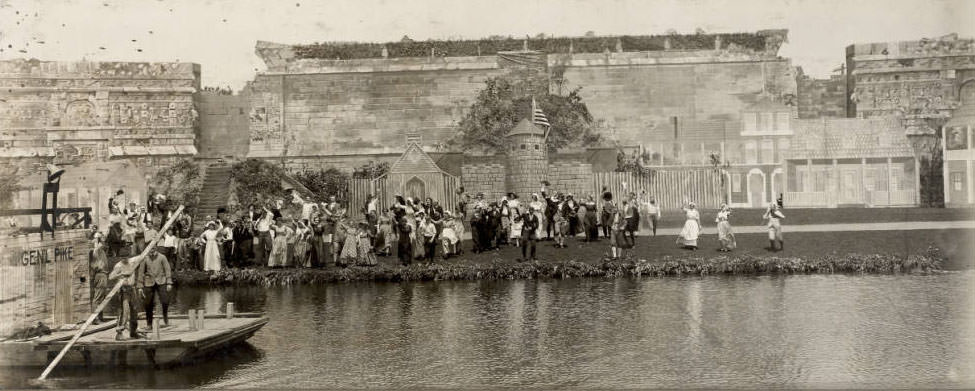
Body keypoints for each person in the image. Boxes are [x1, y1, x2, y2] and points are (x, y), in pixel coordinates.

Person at [136, 247, 172, 329]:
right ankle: (149, 323)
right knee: (148, 303)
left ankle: (165, 315)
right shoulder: (145, 258)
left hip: (161, 280)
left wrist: (169, 282)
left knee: (165, 300)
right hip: (149, 282)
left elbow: (167, 270)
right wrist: (140, 286)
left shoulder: (162, 257)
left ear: (156, 248)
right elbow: (141, 272)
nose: (152, 250)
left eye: (153, 248)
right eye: (150, 249)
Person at [108, 254, 139, 340]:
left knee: (134, 311)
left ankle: (133, 332)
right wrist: (120, 274)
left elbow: (142, 255)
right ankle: (119, 332)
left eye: (126, 257)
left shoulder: (132, 262)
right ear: (120, 258)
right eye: (123, 258)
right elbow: (110, 277)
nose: (124, 259)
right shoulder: (118, 266)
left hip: (132, 289)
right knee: (124, 311)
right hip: (123, 290)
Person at [89, 234, 109, 324]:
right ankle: (95, 319)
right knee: (97, 298)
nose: (104, 243)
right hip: (100, 275)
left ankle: (99, 317)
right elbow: (95, 248)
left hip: (102, 275)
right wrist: (97, 240)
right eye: (102, 241)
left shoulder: (101, 251)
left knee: (101, 298)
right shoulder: (96, 251)